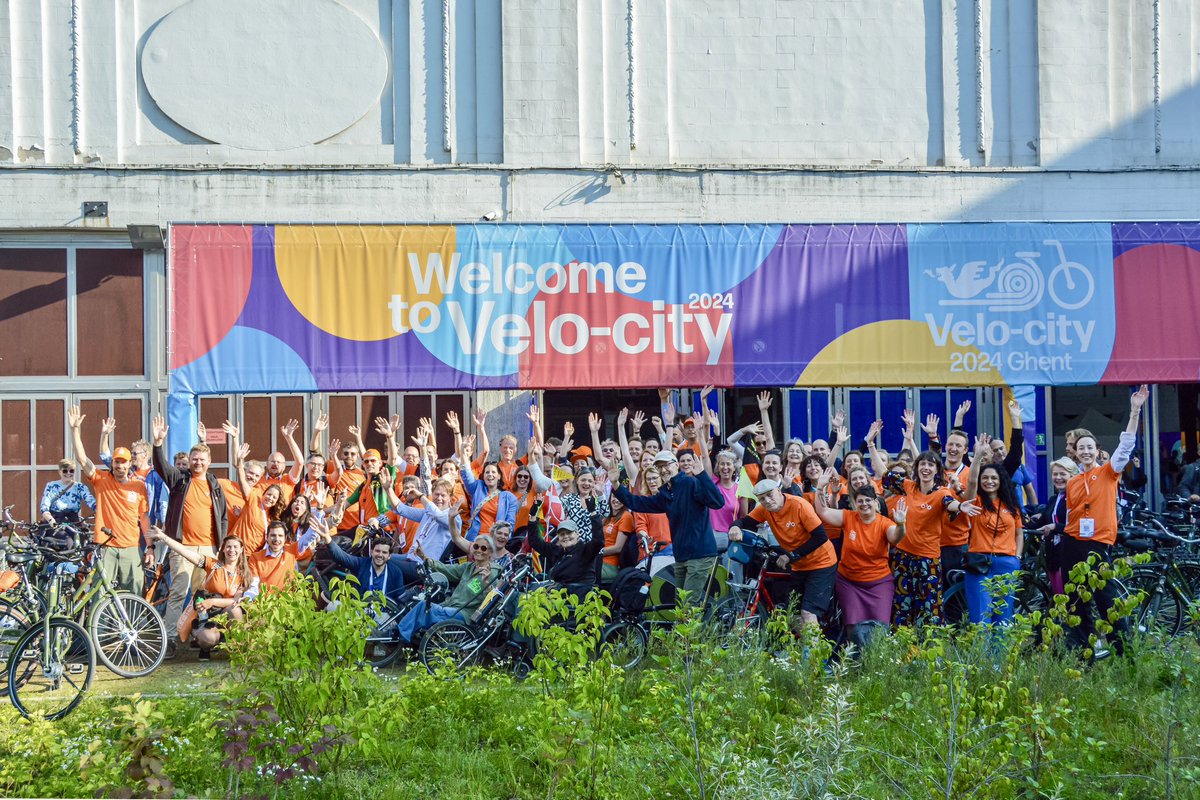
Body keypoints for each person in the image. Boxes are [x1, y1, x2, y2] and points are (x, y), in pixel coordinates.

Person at [1062, 385, 1148, 656]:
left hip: (1098, 543)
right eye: (1081, 448)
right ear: (1075, 453)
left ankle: (1124, 655)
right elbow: (1072, 514)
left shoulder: (1109, 472)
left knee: (1106, 600)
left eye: (1090, 447)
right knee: (1076, 601)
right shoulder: (1073, 482)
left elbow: (1126, 445)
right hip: (1073, 543)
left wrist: (1134, 411)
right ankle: (1082, 656)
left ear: (1097, 451)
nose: (1085, 452)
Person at [151, 413, 230, 657]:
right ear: (190, 460)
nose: (198, 463)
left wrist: (220, 546)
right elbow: (161, 466)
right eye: (194, 459)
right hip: (182, 547)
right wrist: (158, 444)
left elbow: (223, 516)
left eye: (202, 459)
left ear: (209, 462)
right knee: (178, 592)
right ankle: (169, 640)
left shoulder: (214, 485)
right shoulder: (179, 480)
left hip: (208, 549)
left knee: (202, 595)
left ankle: (200, 638)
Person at [613, 450, 726, 606]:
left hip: (700, 554)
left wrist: (701, 475)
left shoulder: (690, 483)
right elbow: (637, 503)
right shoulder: (666, 493)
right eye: (659, 467)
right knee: (680, 605)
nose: (663, 469)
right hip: (680, 556)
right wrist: (616, 484)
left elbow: (718, 502)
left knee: (687, 605)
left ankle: (702, 621)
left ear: (676, 465)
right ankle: (703, 620)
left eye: (666, 465)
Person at [811, 479, 908, 650]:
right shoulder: (849, 517)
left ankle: (875, 660)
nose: (864, 504)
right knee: (855, 629)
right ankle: (857, 661)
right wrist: (820, 487)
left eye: (868, 500)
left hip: (879, 583)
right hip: (849, 582)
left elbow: (895, 537)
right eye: (860, 501)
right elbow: (822, 511)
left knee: (880, 628)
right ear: (855, 503)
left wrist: (901, 524)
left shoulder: (884, 523)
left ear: (875, 502)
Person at [728, 479, 836, 630]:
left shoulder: (799, 505)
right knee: (793, 614)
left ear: (779, 491)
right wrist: (735, 527)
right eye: (762, 499)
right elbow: (745, 521)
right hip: (799, 566)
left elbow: (821, 537)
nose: (767, 501)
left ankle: (813, 646)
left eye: (770, 495)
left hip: (822, 562)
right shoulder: (765, 509)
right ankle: (806, 643)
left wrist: (791, 555)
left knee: (807, 613)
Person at [68, 407, 151, 593]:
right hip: (106, 547)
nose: (120, 465)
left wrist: (150, 546)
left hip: (131, 547)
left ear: (130, 464)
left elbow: (144, 518)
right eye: (117, 462)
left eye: (123, 462)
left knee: (134, 594)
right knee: (101, 594)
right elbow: (82, 459)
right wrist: (74, 429)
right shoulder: (102, 480)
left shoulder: (139, 487)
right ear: (112, 463)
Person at [150, 529, 250, 661]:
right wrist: (164, 537)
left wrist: (212, 602)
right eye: (228, 547)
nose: (232, 550)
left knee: (235, 610)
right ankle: (205, 647)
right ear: (223, 549)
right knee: (208, 638)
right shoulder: (213, 565)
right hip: (207, 614)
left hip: (225, 613)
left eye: (235, 547)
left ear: (241, 549)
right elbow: (185, 552)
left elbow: (236, 600)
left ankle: (237, 649)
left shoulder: (243, 573)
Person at [395, 534, 503, 644]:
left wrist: (486, 583)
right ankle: (405, 635)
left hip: (465, 614)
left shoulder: (493, 572)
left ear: (490, 552)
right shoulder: (470, 566)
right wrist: (424, 558)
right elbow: (446, 569)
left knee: (426, 607)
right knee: (423, 604)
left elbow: (494, 599)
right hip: (451, 606)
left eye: (483, 548)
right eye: (476, 547)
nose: (479, 550)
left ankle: (399, 635)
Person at [962, 436, 1023, 626]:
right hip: (980, 562)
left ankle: (1001, 648)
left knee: (1003, 617)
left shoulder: (1011, 504)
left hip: (1007, 563)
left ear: (1001, 481)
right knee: (981, 616)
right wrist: (977, 457)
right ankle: (982, 648)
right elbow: (971, 482)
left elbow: (1019, 533)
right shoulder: (976, 502)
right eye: (985, 478)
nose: (989, 481)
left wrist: (1017, 557)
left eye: (994, 478)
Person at [311, 517, 408, 606]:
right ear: (371, 551)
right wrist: (327, 537)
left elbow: (401, 600)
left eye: (384, 552)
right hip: (359, 610)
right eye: (377, 551)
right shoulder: (362, 564)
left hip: (384, 615)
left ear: (389, 556)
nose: (380, 555)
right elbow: (341, 557)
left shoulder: (395, 572)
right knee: (328, 603)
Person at [1029, 457, 1078, 596]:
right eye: (1055, 474)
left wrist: (1056, 527)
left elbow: (1077, 525)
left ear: (1072, 476)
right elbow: (1041, 522)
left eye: (1063, 474)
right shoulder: (1053, 499)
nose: (1058, 478)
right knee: (1058, 596)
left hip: (1070, 552)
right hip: (1053, 553)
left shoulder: (1077, 497)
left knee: (1070, 597)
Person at [528, 517, 605, 594]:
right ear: (558, 537)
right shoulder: (556, 551)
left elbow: (598, 541)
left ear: (577, 534)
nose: (565, 536)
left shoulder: (585, 551)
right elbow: (535, 542)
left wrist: (593, 514)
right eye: (562, 534)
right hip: (557, 595)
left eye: (569, 533)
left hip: (580, 597)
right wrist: (532, 518)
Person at [39, 458, 95, 524]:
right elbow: (44, 505)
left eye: (71, 471)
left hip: (73, 521)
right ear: (59, 471)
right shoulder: (51, 486)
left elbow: (90, 500)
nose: (68, 473)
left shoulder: (79, 487)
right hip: (55, 521)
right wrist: (50, 519)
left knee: (84, 530)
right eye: (65, 471)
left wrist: (99, 510)